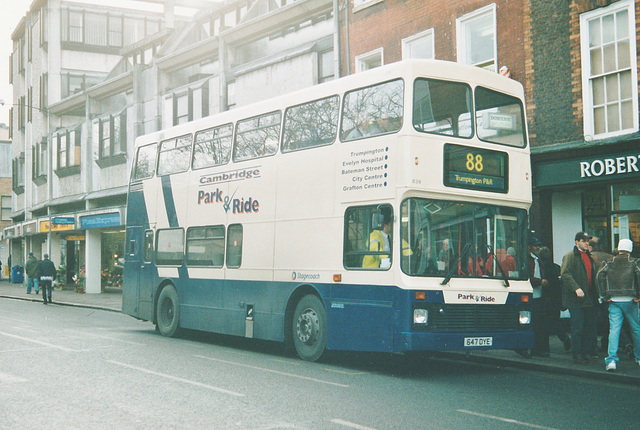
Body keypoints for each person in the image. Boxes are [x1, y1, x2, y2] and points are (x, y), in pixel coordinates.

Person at [596, 238, 640, 371]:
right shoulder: (634, 262)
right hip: (631, 300)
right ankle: (638, 357)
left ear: (619, 248)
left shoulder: (608, 262)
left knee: (614, 330)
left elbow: (599, 276)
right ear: (630, 249)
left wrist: (604, 295)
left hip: (613, 300)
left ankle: (611, 361)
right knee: (636, 329)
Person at [561, 231, 599, 364]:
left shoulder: (589, 256)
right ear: (577, 242)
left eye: (587, 241)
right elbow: (565, 274)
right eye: (583, 241)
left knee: (589, 327)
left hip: (589, 297)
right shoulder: (570, 256)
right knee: (578, 327)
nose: (586, 243)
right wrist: (576, 288)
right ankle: (577, 354)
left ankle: (587, 352)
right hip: (575, 299)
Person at [539, 246, 572, 352]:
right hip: (556, 298)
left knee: (545, 323)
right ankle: (564, 338)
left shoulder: (541, 268)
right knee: (555, 321)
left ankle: (546, 346)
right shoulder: (556, 267)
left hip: (545, 299)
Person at [529, 236, 550, 357]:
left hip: (539, 295)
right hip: (531, 295)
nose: (538, 247)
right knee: (535, 323)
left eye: (539, 245)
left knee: (539, 323)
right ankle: (534, 348)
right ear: (529, 246)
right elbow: (527, 276)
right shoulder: (528, 259)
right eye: (535, 245)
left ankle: (538, 348)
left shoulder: (537, 259)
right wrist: (540, 281)